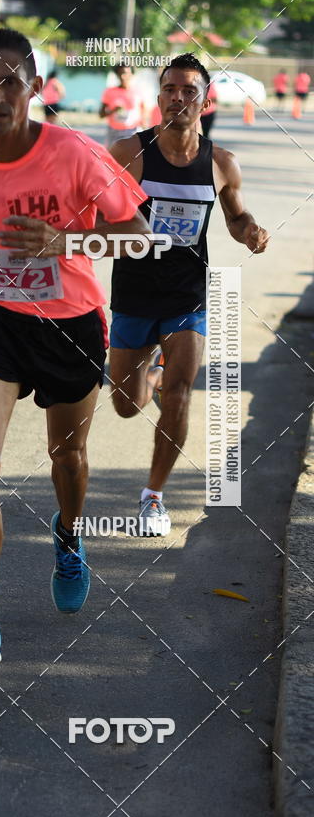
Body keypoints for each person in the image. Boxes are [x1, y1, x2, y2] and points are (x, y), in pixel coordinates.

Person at [0, 28, 149, 675]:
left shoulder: (75, 155)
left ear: (35, 88)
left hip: (70, 323)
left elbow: (140, 238)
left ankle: (68, 536)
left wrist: (64, 245)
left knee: (67, 458)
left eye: (10, 80)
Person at [108, 53, 269, 537]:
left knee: (180, 396)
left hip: (188, 295)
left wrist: (251, 231)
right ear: (158, 97)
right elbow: (97, 212)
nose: (178, 97)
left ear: (205, 99)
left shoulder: (220, 163)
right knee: (126, 403)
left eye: (189, 90)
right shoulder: (128, 152)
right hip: (135, 293)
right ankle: (149, 375)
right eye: (170, 89)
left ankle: (153, 497)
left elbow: (236, 218)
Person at [100, 64, 144, 147]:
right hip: (114, 133)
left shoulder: (138, 92)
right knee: (112, 159)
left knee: (133, 158)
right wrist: (114, 110)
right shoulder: (109, 92)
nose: (123, 76)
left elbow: (143, 112)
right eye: (120, 73)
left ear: (132, 74)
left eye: (126, 73)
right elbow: (101, 114)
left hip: (133, 132)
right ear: (116, 75)